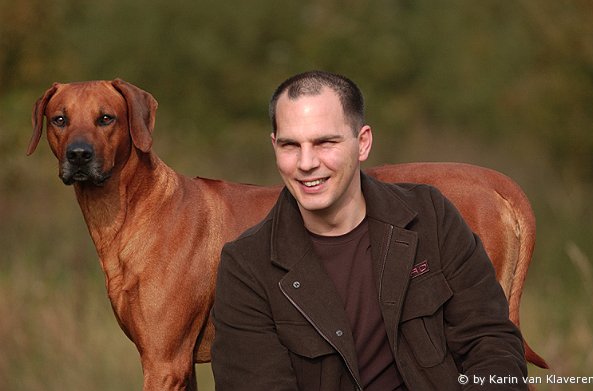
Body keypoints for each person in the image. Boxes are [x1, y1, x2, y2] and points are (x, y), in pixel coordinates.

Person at [210, 70, 527, 390]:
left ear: (362, 143)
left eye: (324, 142)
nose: (306, 163)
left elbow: (491, 343)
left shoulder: (430, 216)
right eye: (291, 145)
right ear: (274, 146)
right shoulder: (246, 267)